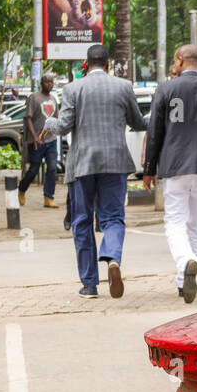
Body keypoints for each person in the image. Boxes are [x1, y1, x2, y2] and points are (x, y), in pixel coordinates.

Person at [41, 42, 147, 298]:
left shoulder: (73, 88)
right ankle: (112, 258)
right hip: (115, 163)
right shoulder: (123, 86)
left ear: (85, 65)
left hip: (82, 164)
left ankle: (89, 284)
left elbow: (64, 126)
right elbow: (137, 122)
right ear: (108, 64)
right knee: (112, 218)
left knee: (82, 221)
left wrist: (48, 122)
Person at [143, 43, 197, 301]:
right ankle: (183, 281)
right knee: (196, 223)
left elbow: (155, 133)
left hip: (174, 165)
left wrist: (148, 169)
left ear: (181, 60)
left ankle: (186, 262)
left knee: (174, 222)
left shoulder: (165, 89)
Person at [19, 72, 60, 207]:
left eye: (51, 82)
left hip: (51, 139)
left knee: (53, 167)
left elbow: (56, 117)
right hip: (36, 141)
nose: (49, 84)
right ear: (41, 83)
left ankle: (48, 197)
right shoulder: (34, 98)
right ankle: (22, 189)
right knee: (34, 169)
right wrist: (35, 136)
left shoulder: (53, 99)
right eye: (47, 82)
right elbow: (28, 118)